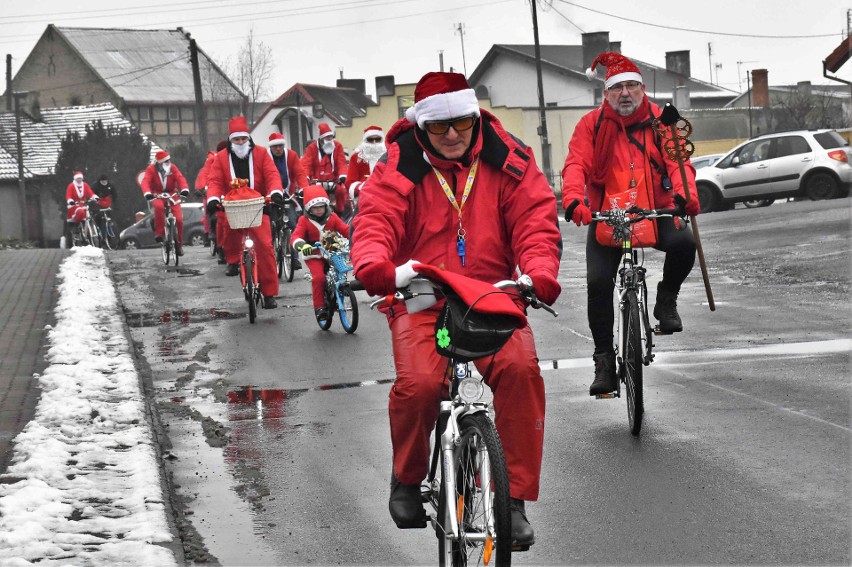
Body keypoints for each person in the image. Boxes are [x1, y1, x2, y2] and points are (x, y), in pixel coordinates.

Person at [350, 71, 561, 548]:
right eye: (439, 127)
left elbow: (535, 219)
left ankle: (512, 500)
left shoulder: (508, 160)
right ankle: (406, 477)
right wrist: (378, 267)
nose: (451, 135)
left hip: (491, 296)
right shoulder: (399, 164)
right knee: (421, 384)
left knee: (521, 371)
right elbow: (376, 219)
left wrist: (538, 271)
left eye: (462, 124)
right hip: (422, 295)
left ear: (475, 118)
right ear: (421, 127)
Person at [560, 52, 700, 396]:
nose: (625, 93)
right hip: (609, 215)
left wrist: (685, 196)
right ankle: (604, 360)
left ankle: (666, 300)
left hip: (658, 208)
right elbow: (575, 164)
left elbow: (679, 162)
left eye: (632, 86)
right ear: (605, 94)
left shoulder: (664, 120)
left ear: (643, 90)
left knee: (684, 244)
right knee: (597, 283)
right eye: (617, 87)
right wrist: (574, 200)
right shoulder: (590, 126)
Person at [205, 116, 284, 308]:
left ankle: (269, 293)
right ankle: (232, 261)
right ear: (231, 140)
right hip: (233, 208)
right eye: (236, 140)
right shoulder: (221, 158)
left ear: (248, 138)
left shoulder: (262, 153)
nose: (240, 143)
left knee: (265, 247)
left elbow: (272, 174)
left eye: (243, 139)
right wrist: (213, 198)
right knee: (229, 235)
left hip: (258, 206)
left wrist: (275, 192)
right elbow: (214, 181)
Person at [290, 185, 351, 324]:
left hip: (331, 253)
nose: (318, 210)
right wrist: (302, 245)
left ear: (326, 205)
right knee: (318, 278)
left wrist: (356, 236)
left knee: (342, 269)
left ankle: (340, 289)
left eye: (321, 206)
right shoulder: (304, 221)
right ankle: (320, 308)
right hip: (314, 255)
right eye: (315, 207)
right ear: (308, 209)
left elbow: (345, 229)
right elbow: (296, 236)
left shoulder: (332, 217)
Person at [140, 150, 190, 256]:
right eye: (165, 161)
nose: (168, 163)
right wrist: (147, 193)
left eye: (169, 160)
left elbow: (180, 178)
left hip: (172, 194)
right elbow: (145, 181)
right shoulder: (151, 169)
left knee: (179, 220)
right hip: (157, 194)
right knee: (158, 207)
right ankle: (160, 233)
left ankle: (179, 246)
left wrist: (184, 189)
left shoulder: (173, 168)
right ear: (159, 163)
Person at [300, 123, 350, 218]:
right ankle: (311, 216)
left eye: (331, 137)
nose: (330, 140)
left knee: (340, 191)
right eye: (327, 138)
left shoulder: (337, 146)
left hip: (333, 180)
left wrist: (342, 175)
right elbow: (306, 164)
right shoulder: (312, 148)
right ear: (322, 139)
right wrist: (305, 177)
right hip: (316, 182)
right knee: (313, 197)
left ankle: (340, 213)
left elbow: (341, 162)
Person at [268, 132, 309, 231]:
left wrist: (303, 188)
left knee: (292, 221)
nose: (278, 149)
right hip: (270, 195)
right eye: (275, 146)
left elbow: (300, 173)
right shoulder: (265, 156)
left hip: (288, 194)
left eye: (280, 146)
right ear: (270, 147)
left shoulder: (291, 155)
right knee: (270, 224)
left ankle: (293, 243)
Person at [195, 140, 229, 253]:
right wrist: (202, 187)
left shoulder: (234, 159)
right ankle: (213, 235)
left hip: (231, 193)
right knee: (214, 216)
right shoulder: (212, 161)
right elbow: (205, 174)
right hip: (215, 192)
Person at [345, 125, 386, 207]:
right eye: (370, 140)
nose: (374, 142)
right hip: (363, 196)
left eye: (377, 139)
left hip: (385, 195)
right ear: (365, 140)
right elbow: (350, 182)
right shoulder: (356, 158)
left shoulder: (389, 156)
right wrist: (363, 187)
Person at [65, 171, 97, 244]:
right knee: (80, 212)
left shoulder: (85, 185)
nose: (79, 180)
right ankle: (76, 226)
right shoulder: (71, 186)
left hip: (83, 204)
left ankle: (89, 232)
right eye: (78, 178)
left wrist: (95, 197)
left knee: (89, 214)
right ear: (75, 179)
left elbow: (90, 192)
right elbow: (68, 195)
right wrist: (70, 201)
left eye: (80, 178)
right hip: (74, 205)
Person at [91, 173, 115, 243]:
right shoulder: (96, 186)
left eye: (105, 181)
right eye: (102, 181)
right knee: (99, 218)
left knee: (111, 216)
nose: (104, 182)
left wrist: (113, 205)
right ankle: (99, 231)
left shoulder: (111, 185)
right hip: (98, 204)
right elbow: (91, 194)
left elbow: (114, 195)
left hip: (108, 204)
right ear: (100, 181)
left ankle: (111, 228)